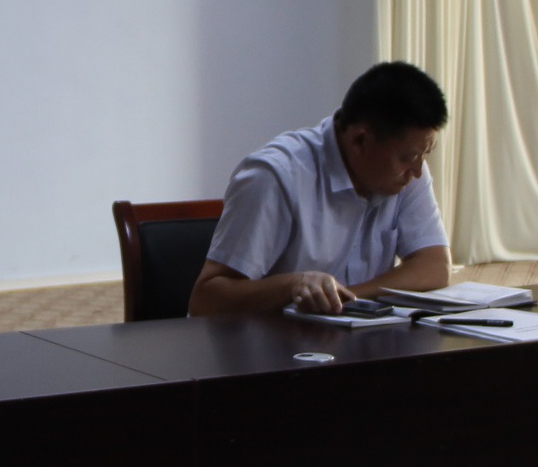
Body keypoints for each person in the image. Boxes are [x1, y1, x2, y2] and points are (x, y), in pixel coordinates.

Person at [189, 61, 455, 317]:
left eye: (426, 154)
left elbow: (434, 266)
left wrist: (347, 298)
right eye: (409, 157)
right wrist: (293, 285)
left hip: (348, 341)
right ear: (360, 140)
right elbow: (205, 301)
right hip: (264, 344)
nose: (418, 170)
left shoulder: (407, 173)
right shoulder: (275, 178)